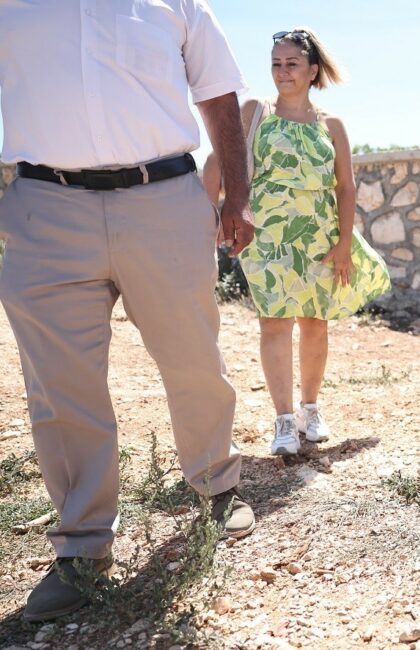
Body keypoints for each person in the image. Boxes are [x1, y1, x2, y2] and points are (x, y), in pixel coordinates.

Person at [0, 0, 255, 622]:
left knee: (193, 357)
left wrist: (238, 196)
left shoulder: (178, 4)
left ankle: (217, 487)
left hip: (163, 196)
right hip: (43, 205)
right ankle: (82, 547)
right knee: (60, 386)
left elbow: (218, 96)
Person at [205, 28, 390, 456]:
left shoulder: (332, 125)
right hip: (267, 235)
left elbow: (346, 187)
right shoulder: (255, 112)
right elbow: (218, 160)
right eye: (276, 64)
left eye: (291, 64)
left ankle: (310, 409)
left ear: (312, 71)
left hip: (319, 235)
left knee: (314, 322)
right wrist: (211, 212)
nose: (282, 72)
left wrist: (344, 244)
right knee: (273, 322)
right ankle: (284, 419)